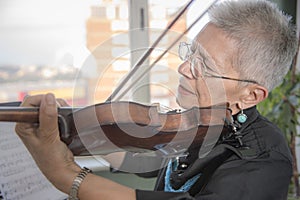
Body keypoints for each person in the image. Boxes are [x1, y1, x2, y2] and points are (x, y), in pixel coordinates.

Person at [15, 0, 298, 199]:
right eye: (191, 53)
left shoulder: (263, 159)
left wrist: (65, 174)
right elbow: (155, 166)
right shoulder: (195, 124)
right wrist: (80, 129)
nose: (184, 68)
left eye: (205, 66)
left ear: (251, 95)